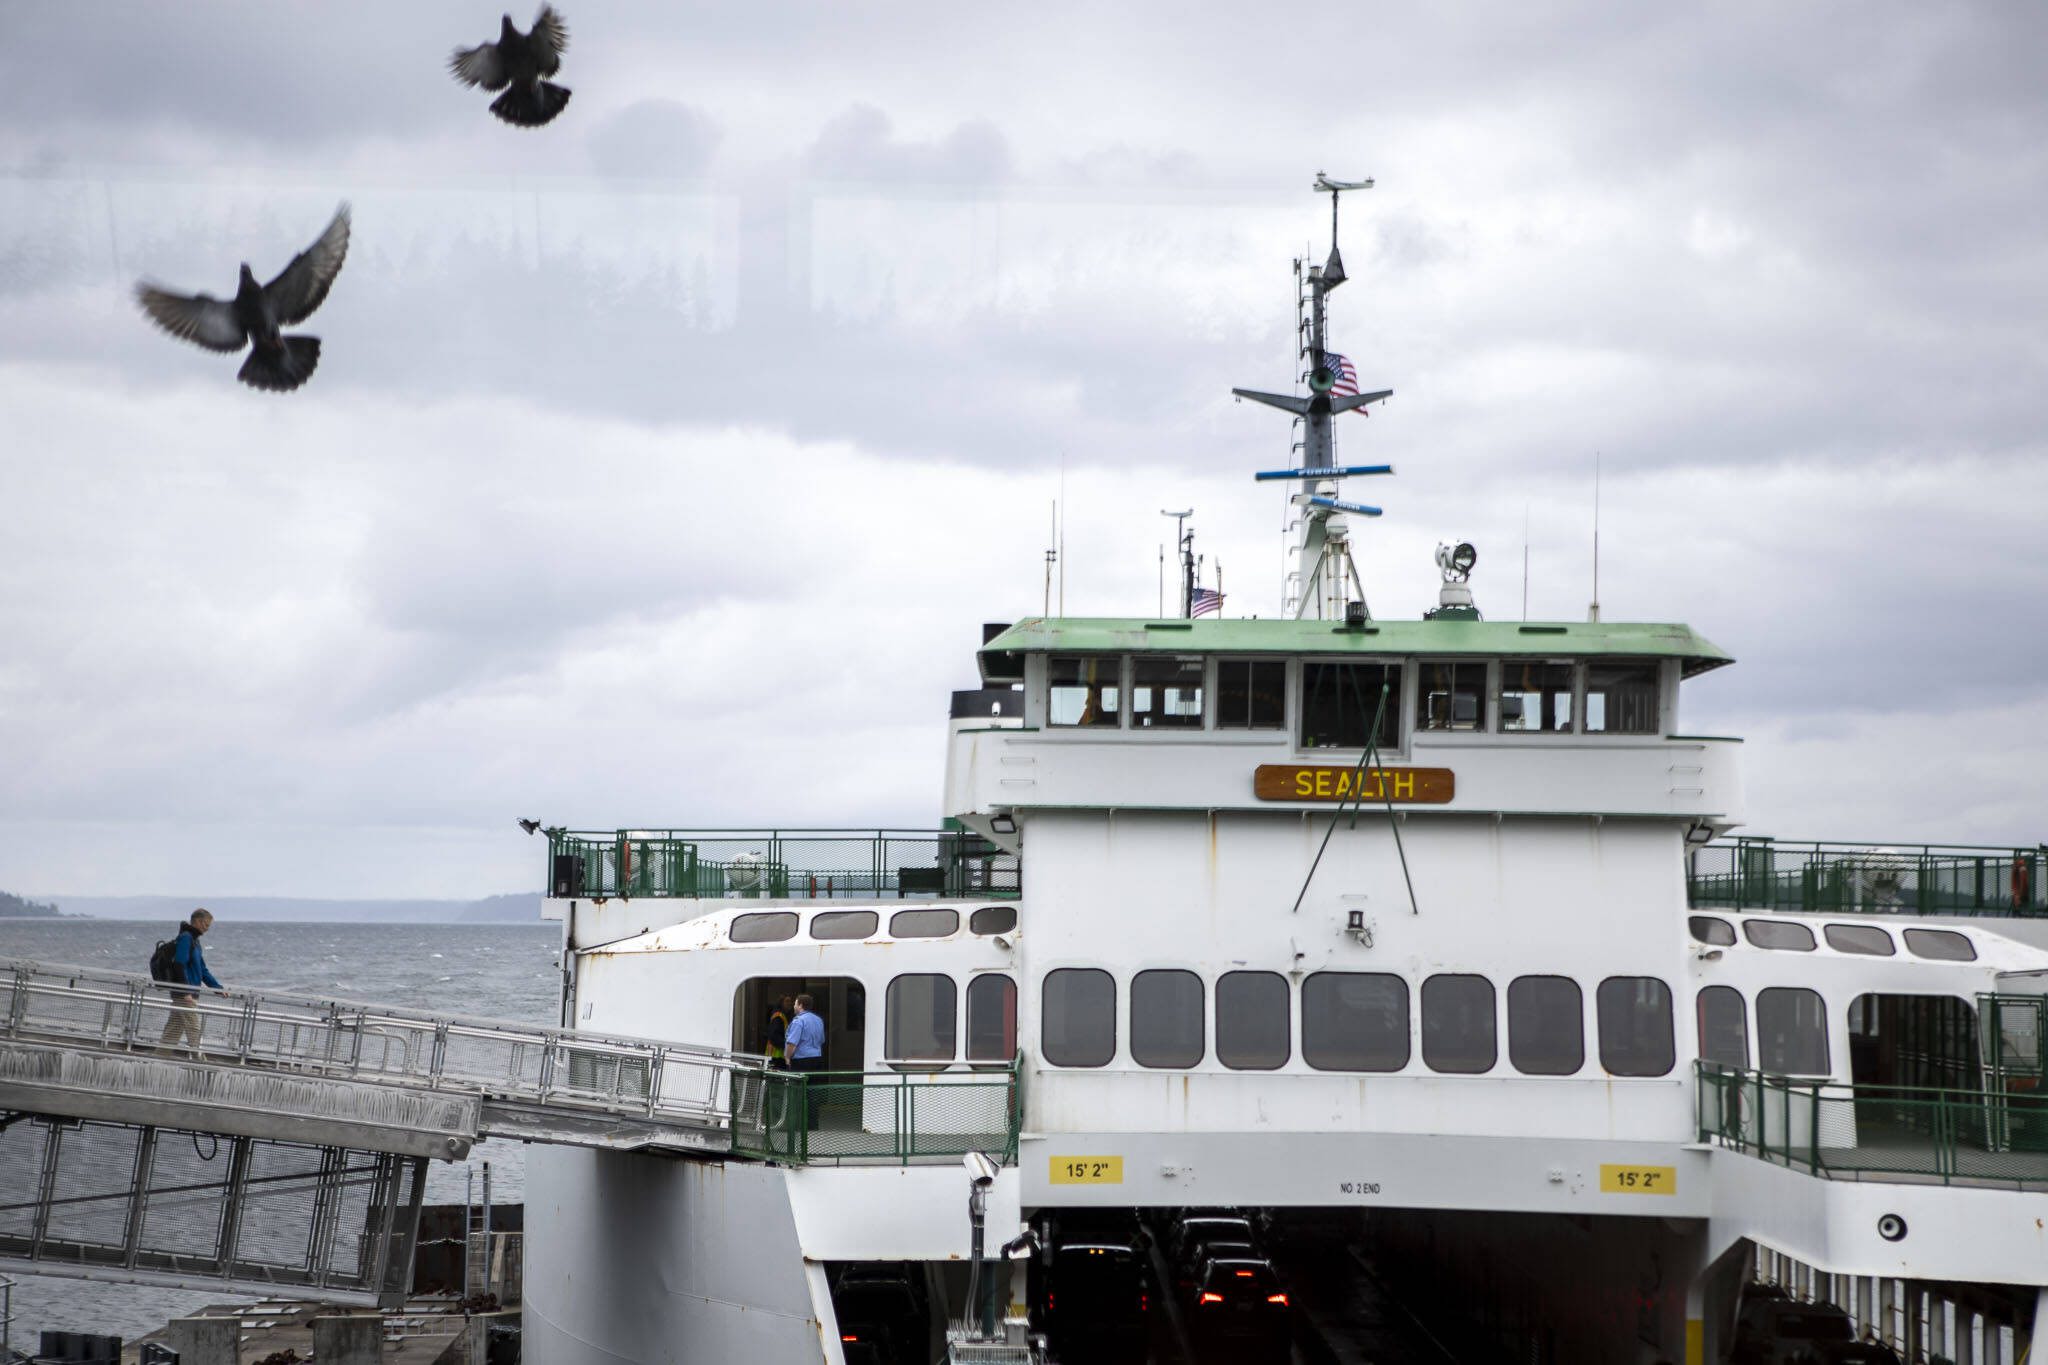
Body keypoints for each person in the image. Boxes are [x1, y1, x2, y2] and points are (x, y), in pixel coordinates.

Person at [159, 909, 223, 1052]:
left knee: (173, 1031)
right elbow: (179, 964)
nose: (207, 929)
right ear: (198, 921)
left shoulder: (195, 941)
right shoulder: (186, 938)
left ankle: (159, 1057)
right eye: (206, 925)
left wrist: (218, 988)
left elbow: (202, 970)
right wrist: (185, 992)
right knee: (194, 1028)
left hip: (188, 994)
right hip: (185, 995)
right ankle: (200, 1063)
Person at [785, 993, 826, 1127]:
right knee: (813, 1092)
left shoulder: (798, 1021)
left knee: (797, 1093)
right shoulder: (818, 1020)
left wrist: (787, 1057)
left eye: (795, 1003)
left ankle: (797, 1125)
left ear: (801, 1005)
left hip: (801, 1061)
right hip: (816, 1058)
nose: (794, 1006)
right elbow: (822, 1040)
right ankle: (812, 1124)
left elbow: (792, 1043)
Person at [764, 994, 793, 1069]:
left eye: (790, 1001)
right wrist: (786, 1046)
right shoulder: (778, 1016)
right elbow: (774, 1035)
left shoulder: (784, 1016)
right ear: (781, 1003)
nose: (789, 1003)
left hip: (779, 1055)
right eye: (787, 1001)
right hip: (776, 1056)